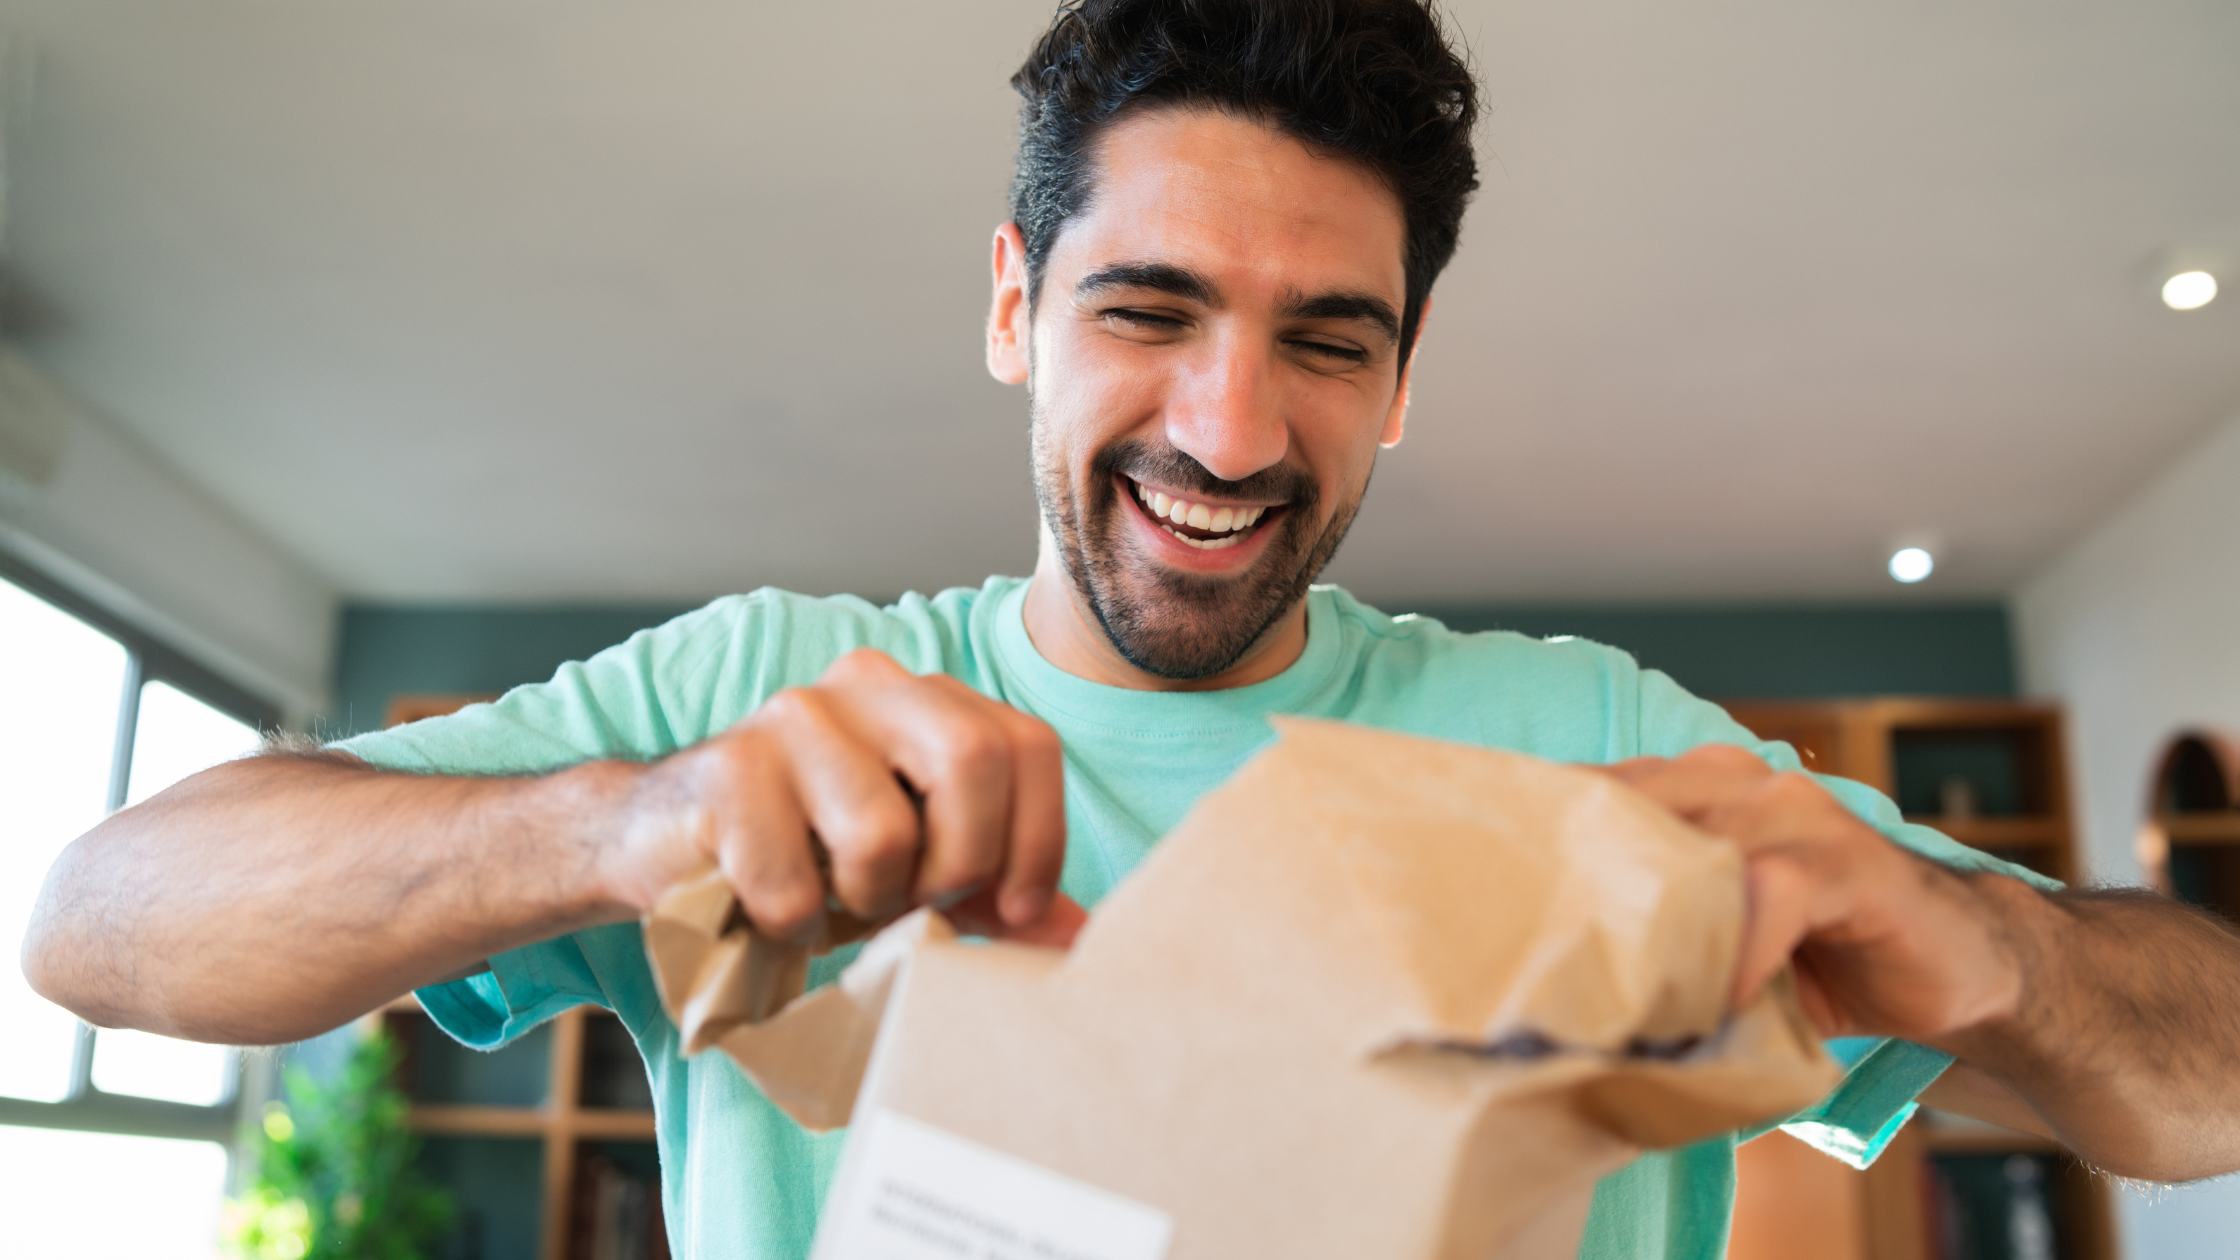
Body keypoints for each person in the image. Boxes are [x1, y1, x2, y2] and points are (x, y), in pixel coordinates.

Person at [24, 1, 2240, 1256]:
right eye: (1146, 308)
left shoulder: (1593, 751)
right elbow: (103, 928)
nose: (1227, 427)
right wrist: (617, 828)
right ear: (1013, 303)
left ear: (1405, 369)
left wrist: (2007, 957)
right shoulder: (746, 704)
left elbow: (2195, 1095)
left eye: (1328, 342)